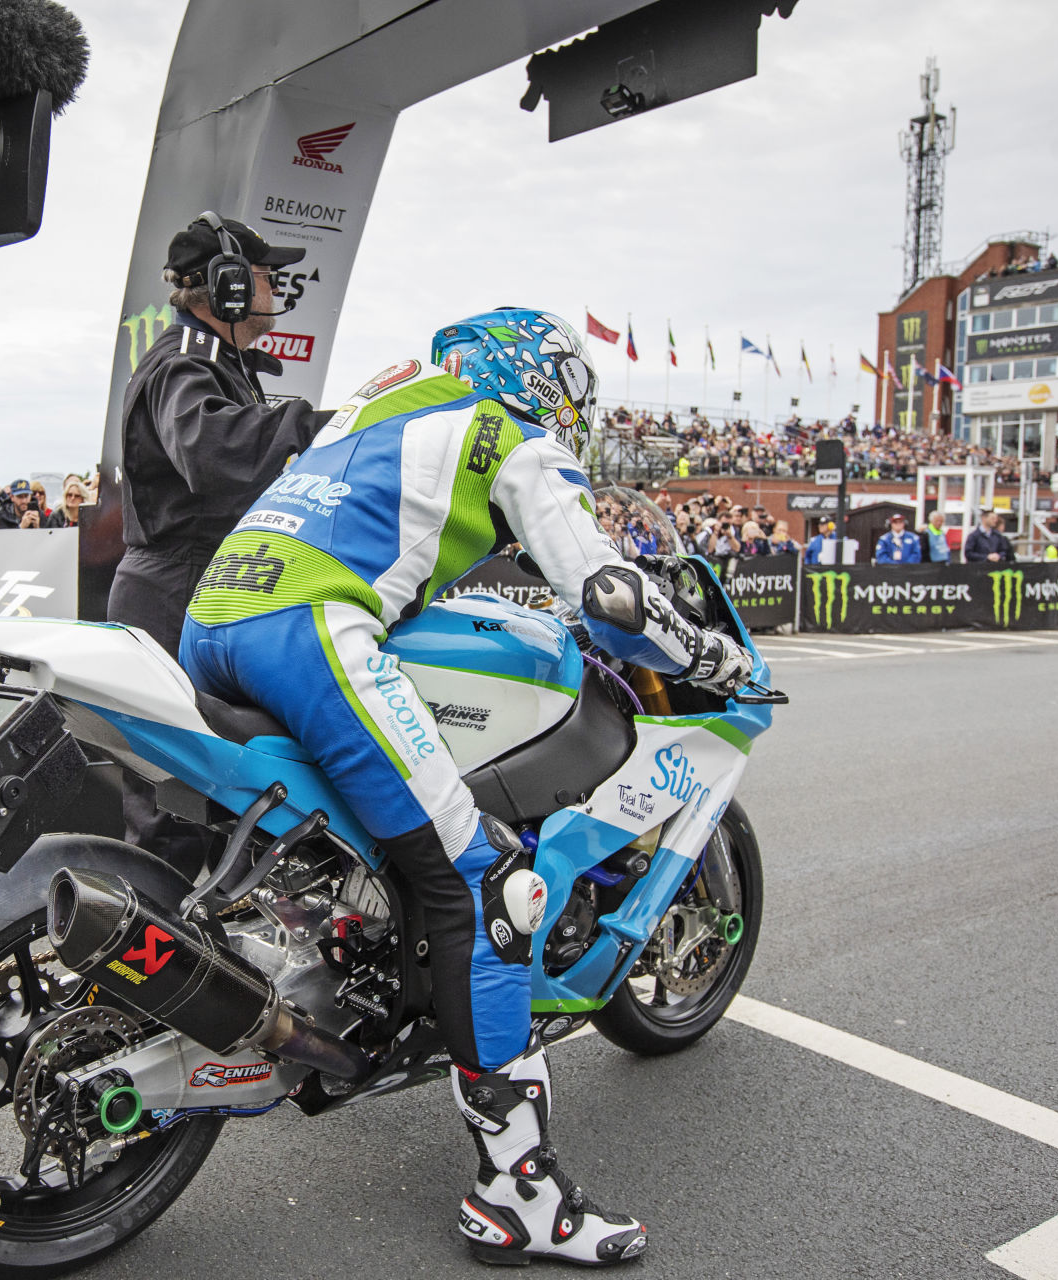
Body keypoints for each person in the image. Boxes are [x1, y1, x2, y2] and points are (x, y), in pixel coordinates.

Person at [179, 309, 751, 1267]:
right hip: (307, 632)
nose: (567, 414)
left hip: (213, 622)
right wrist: (708, 654)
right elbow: (609, 596)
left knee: (369, 845)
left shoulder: (373, 410)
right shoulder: (510, 435)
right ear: (537, 377)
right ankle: (516, 1197)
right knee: (487, 887)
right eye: (566, 393)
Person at [110, 213, 328, 874]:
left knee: (206, 802)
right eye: (265, 274)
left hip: (192, 584)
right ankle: (138, 964)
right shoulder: (188, 359)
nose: (274, 286)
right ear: (229, 286)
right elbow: (210, 450)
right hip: (177, 589)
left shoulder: (217, 360)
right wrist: (325, 426)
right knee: (173, 811)